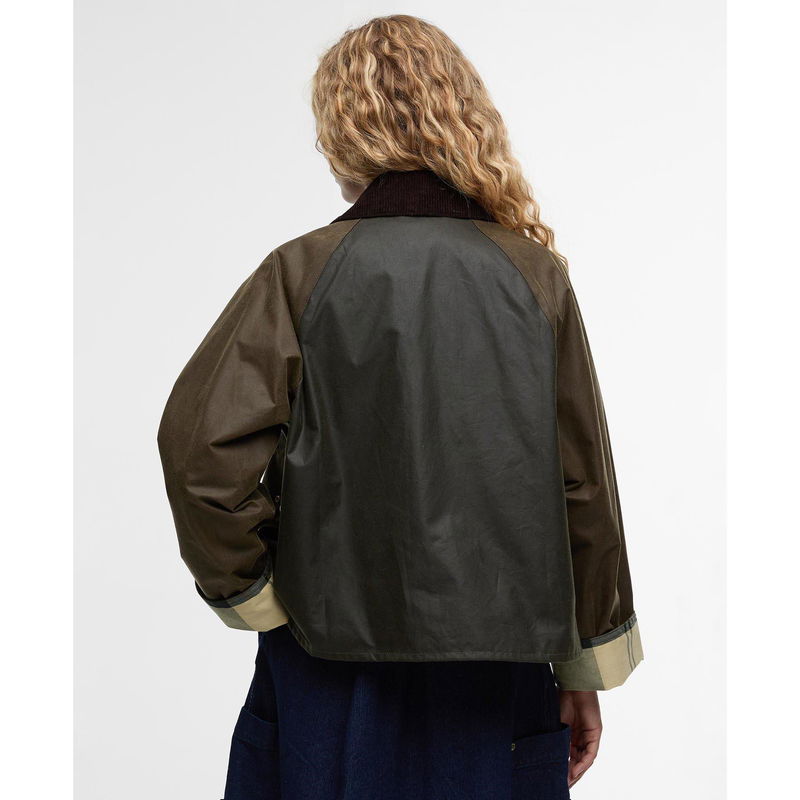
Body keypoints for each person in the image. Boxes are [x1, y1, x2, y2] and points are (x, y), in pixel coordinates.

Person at [157, 14, 643, 800]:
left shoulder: (301, 272)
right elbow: (581, 482)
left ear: (342, 131)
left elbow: (201, 453)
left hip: (326, 665)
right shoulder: (533, 278)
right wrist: (585, 665)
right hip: (500, 678)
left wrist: (260, 599)